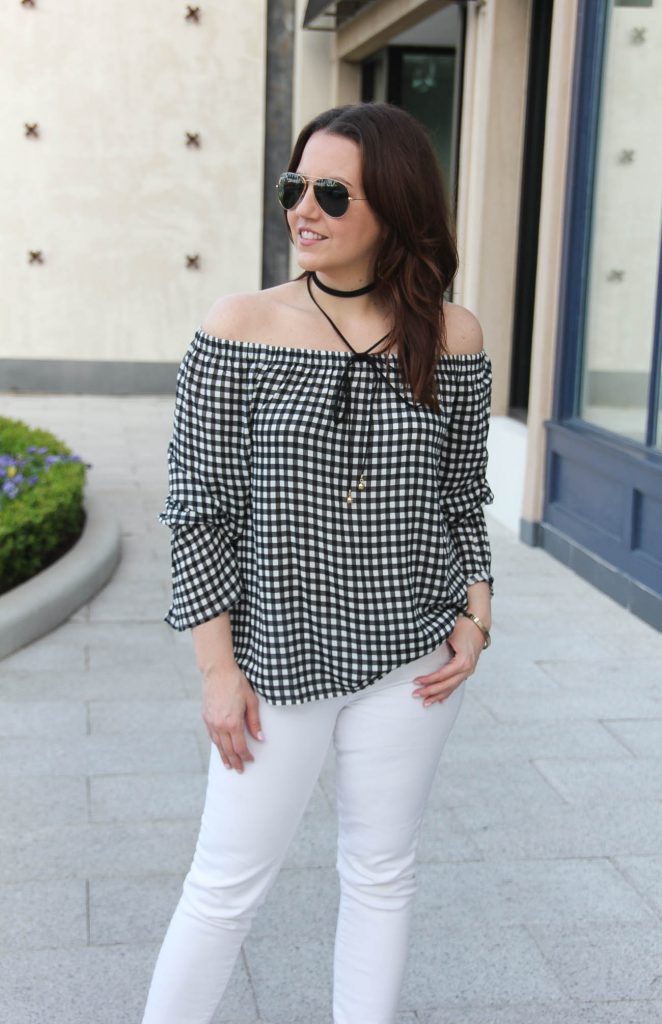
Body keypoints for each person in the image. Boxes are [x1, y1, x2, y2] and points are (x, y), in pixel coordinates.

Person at [141, 101, 494, 1024]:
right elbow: (197, 513)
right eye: (294, 186)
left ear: (397, 205)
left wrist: (477, 612)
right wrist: (217, 673)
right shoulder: (240, 325)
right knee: (223, 887)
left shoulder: (452, 335)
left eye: (331, 192)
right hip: (275, 661)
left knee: (382, 872)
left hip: (412, 654)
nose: (304, 208)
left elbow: (463, 496)